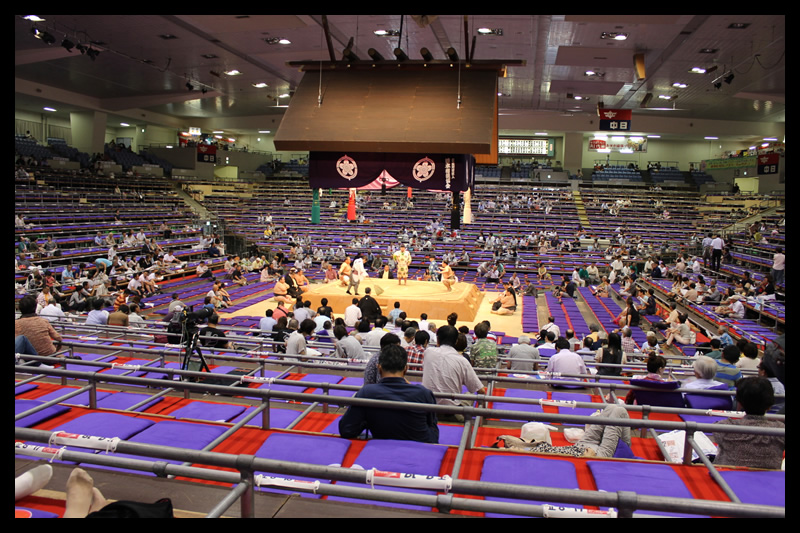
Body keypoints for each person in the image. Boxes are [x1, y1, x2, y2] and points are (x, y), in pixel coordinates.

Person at [338, 344, 439, 443]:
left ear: (379, 368)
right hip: (422, 450)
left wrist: (366, 419)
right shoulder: (424, 393)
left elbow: (347, 430)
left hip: (380, 448)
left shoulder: (367, 393)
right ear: (406, 368)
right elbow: (433, 434)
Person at [499, 405, 632, 458]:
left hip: (581, 445)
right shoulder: (530, 456)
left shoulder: (528, 449)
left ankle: (625, 448)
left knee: (612, 408)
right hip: (593, 455)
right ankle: (626, 448)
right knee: (618, 411)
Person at [712, 377, 785, 470]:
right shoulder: (780, 429)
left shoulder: (725, 427)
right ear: (769, 405)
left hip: (729, 480)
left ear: (740, 403)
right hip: (768, 481)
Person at [421, 325, 487, 422]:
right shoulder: (462, 361)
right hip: (451, 411)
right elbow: (481, 391)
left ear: (438, 339)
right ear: (456, 341)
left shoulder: (428, 352)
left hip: (428, 409)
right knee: (470, 394)